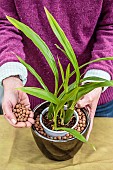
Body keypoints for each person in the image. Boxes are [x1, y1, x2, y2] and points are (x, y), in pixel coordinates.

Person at [0, 0, 113, 139]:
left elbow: (110, 26)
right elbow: (5, 23)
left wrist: (96, 79)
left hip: (93, 97)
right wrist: (12, 77)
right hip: (32, 97)